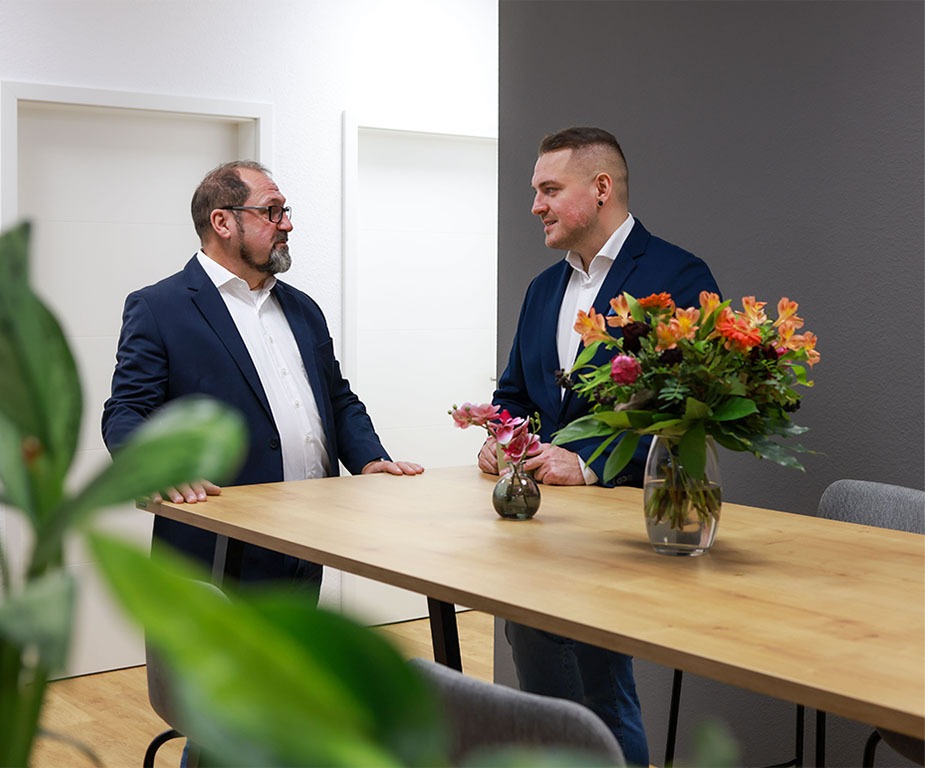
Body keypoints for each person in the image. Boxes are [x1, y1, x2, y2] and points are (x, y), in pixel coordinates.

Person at [480, 127, 719, 766]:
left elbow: (689, 417)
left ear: (602, 188)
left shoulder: (678, 276)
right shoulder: (542, 289)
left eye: (550, 189)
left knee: (602, 694)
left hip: (627, 529)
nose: (536, 205)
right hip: (539, 532)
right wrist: (503, 439)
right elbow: (514, 394)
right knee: (540, 682)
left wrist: (588, 465)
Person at [102, 160, 422, 597]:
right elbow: (126, 410)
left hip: (307, 540)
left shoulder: (302, 308)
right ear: (222, 222)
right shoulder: (160, 307)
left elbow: (337, 399)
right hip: (211, 549)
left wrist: (369, 460)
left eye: (285, 211)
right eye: (271, 211)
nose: (286, 224)